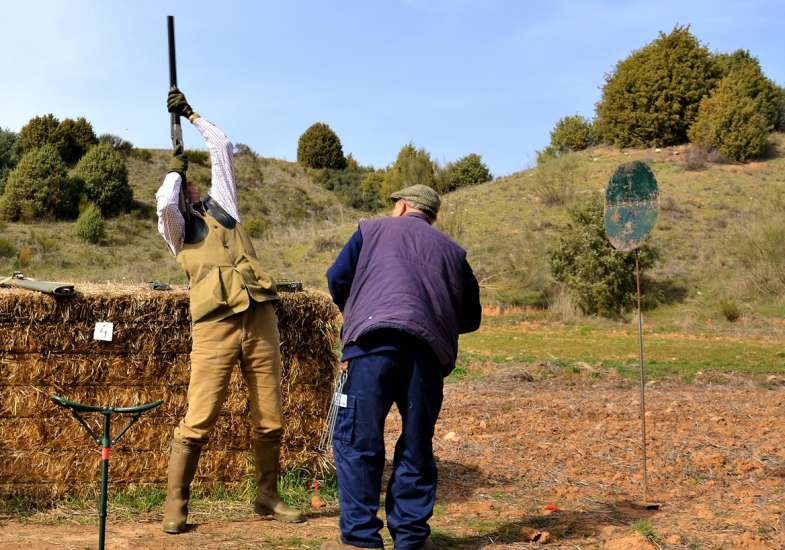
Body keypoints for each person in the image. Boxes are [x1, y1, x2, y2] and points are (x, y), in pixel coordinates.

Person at [156, 88, 303, 533]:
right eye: (187, 183)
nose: (192, 184)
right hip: (215, 326)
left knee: (271, 414)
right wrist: (172, 172)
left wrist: (193, 116)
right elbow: (165, 202)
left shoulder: (226, 208)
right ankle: (176, 503)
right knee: (199, 416)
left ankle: (267, 496)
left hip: (259, 317)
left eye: (190, 181)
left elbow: (221, 148)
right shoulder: (176, 231)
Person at [322, 185, 482, 550]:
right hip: (425, 355)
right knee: (415, 445)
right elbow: (471, 317)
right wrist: (431, 316)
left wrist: (361, 308)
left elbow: (337, 278)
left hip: (370, 347)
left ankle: (361, 539)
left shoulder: (371, 230)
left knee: (357, 442)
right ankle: (410, 538)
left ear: (403, 206)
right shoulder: (453, 252)